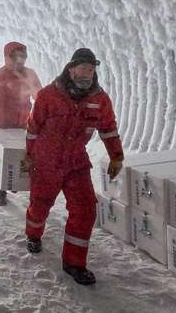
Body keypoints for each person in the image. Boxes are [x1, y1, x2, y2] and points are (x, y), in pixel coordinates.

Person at [23, 48, 124, 286]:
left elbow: (108, 128)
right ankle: (33, 234)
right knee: (40, 204)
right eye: (83, 68)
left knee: (86, 208)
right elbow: (33, 126)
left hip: (76, 162)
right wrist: (29, 156)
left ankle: (74, 263)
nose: (87, 73)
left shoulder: (100, 100)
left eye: (91, 69)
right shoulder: (49, 95)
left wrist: (116, 156)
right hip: (46, 160)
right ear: (71, 69)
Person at [0, 41, 42, 206]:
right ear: (7, 57)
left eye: (22, 57)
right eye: (15, 57)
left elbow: (40, 96)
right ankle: (2, 191)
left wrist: (39, 117)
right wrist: (2, 128)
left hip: (24, 122)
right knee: (6, 157)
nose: (20, 61)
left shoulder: (29, 74)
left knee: (26, 155)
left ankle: (21, 185)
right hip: (5, 125)